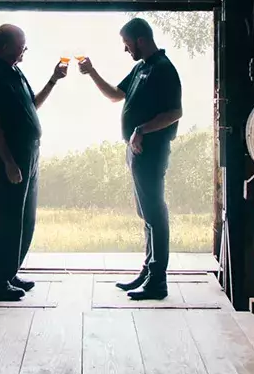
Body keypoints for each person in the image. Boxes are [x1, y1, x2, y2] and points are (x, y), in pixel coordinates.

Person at [78, 17, 182, 300]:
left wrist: (141, 130)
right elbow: (115, 95)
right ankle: (148, 271)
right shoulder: (141, 68)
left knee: (155, 214)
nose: (125, 50)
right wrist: (92, 72)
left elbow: (174, 113)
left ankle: (158, 281)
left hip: (152, 151)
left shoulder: (164, 69)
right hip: (136, 151)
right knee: (145, 214)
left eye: (126, 44)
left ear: (140, 40)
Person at [0, 24, 67, 301]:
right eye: (20, 46)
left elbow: (31, 105)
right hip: (9, 155)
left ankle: (9, 272)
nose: (24, 49)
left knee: (24, 219)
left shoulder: (14, 72)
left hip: (28, 153)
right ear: (3, 47)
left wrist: (53, 80)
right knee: (6, 219)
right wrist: (8, 162)